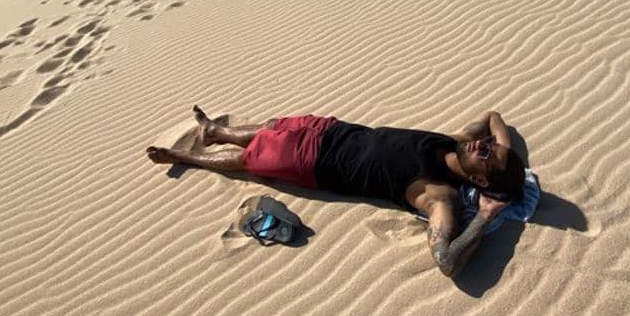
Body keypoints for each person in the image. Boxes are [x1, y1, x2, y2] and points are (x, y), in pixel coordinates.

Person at [147, 107, 525, 278]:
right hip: (332, 130)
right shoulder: (455, 142)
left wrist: (486, 215)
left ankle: (188, 157)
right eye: (489, 145)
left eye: (489, 154)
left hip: (313, 162)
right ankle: (215, 132)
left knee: (249, 158)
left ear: (479, 182)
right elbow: (493, 116)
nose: (484, 145)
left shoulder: (438, 196)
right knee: (271, 125)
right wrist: (511, 161)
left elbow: (447, 261)